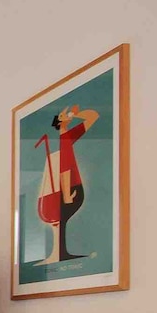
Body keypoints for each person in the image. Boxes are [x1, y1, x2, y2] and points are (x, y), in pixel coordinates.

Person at [38, 104, 99, 264]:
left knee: (62, 219)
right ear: (59, 121)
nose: (67, 113)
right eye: (63, 114)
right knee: (61, 218)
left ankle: (60, 254)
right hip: (69, 189)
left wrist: (75, 114)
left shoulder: (68, 136)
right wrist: (66, 194)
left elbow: (93, 116)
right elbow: (64, 169)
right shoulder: (65, 138)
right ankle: (60, 254)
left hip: (71, 188)